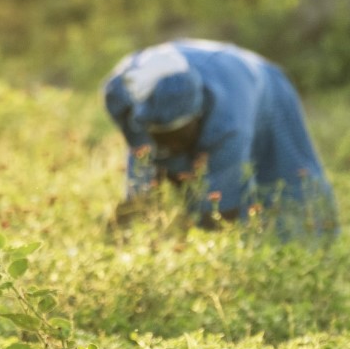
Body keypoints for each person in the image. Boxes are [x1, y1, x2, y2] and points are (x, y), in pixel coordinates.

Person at [102, 39, 337, 240]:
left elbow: (223, 212)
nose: (172, 147)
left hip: (263, 89)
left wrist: (201, 255)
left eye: (179, 136)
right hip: (200, 74)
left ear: (198, 116)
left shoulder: (229, 123)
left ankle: (310, 250)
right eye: (162, 137)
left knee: (289, 187)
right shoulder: (122, 95)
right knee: (142, 198)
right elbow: (141, 166)